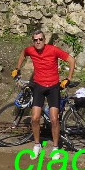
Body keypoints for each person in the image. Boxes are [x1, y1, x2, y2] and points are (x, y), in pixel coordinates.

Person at [12, 30, 75, 160]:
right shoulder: (30, 50)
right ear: (33, 41)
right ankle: (37, 145)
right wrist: (17, 69)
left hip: (53, 87)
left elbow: (71, 60)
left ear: (44, 40)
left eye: (40, 39)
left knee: (54, 119)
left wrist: (68, 79)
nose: (38, 42)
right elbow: (23, 53)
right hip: (39, 87)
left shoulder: (53, 50)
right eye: (35, 40)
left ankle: (56, 148)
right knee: (35, 118)